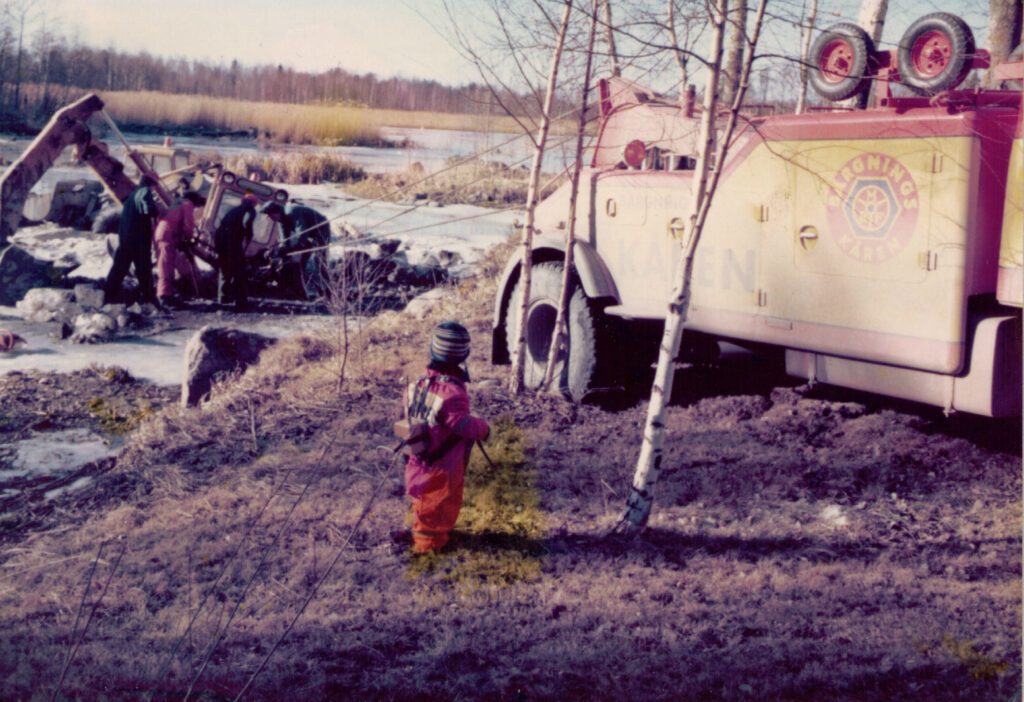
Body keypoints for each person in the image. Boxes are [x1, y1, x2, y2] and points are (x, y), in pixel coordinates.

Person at [401, 321, 489, 553]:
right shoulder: (452, 393)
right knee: (439, 505)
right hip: (443, 466)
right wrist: (483, 428)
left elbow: (405, 417)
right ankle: (429, 547)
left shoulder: (416, 385)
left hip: (417, 458)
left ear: (432, 349)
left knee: (423, 501)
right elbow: (461, 424)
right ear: (464, 355)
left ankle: (432, 534)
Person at [103, 174, 160, 305]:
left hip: (126, 237)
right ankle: (148, 298)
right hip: (138, 238)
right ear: (151, 184)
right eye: (155, 186)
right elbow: (148, 208)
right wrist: (156, 212)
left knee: (120, 266)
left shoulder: (131, 196)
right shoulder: (144, 191)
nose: (155, 189)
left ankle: (108, 294)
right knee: (143, 268)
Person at [154, 190, 204, 308]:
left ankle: (165, 295)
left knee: (166, 265)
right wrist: (187, 240)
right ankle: (164, 296)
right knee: (166, 266)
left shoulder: (177, 203)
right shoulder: (187, 204)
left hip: (163, 234)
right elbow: (188, 225)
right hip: (168, 236)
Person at [213, 194, 258, 309]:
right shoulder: (250, 210)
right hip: (231, 241)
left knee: (225, 269)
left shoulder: (234, 210)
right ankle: (241, 301)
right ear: (253, 203)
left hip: (220, 239)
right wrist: (249, 235)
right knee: (239, 271)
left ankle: (223, 297)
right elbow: (247, 222)